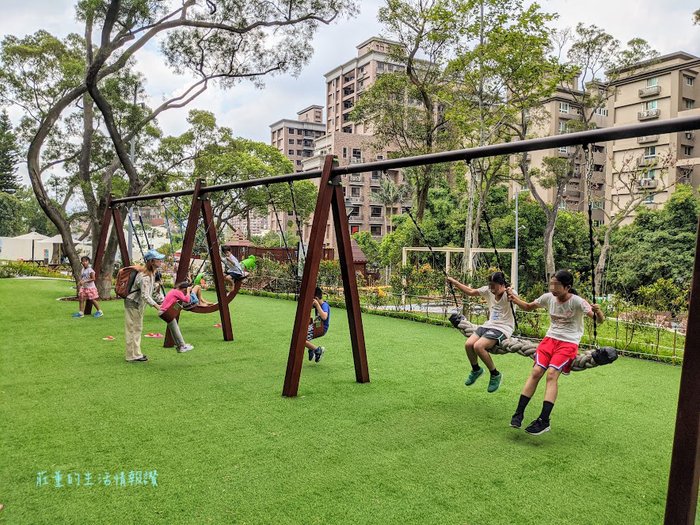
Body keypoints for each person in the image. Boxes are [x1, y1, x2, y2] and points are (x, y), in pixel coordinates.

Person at [507, 270, 604, 435]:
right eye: (551, 284)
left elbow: (599, 320)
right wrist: (513, 298)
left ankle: (544, 420)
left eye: (556, 285)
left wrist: (598, 310)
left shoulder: (578, 302)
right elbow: (529, 307)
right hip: (549, 340)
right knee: (536, 371)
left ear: (567, 287)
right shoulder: (548, 298)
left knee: (551, 374)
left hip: (568, 342)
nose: (552, 288)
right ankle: (519, 413)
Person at [447, 272, 513, 393]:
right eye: (490, 285)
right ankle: (476, 369)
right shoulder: (488, 291)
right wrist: (455, 283)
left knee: (479, 346)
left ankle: (495, 374)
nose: (492, 289)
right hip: (489, 325)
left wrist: (512, 294)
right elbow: (471, 292)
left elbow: (518, 300)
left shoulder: (509, 294)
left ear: (502, 284)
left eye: (495, 286)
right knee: (468, 344)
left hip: (503, 327)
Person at [123, 249, 165, 363]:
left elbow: (151, 293)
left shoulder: (151, 274)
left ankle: (135, 353)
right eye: (158, 259)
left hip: (137, 304)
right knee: (133, 328)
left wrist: (163, 301)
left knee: (136, 328)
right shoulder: (145, 276)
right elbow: (145, 295)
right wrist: (157, 306)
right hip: (134, 303)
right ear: (151, 261)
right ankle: (132, 355)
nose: (161, 261)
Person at [158, 281, 195, 353]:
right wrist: (188, 291)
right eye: (186, 291)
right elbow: (187, 300)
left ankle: (180, 346)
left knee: (173, 329)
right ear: (184, 289)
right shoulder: (178, 292)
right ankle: (182, 346)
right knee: (175, 329)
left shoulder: (173, 291)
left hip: (163, 312)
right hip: (166, 313)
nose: (185, 294)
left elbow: (173, 303)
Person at [305, 286, 330, 363]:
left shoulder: (324, 305)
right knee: (301, 333)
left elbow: (324, 317)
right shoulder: (317, 305)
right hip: (316, 326)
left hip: (322, 328)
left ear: (316, 299)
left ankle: (317, 350)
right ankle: (311, 349)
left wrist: (317, 305)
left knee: (301, 339)